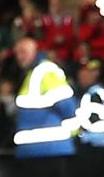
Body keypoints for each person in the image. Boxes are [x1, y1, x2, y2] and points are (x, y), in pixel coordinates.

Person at [12, 37, 77, 175]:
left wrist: (72, 130)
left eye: (23, 52)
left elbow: (66, 104)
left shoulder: (44, 70)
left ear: (35, 51)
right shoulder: (32, 73)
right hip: (37, 150)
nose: (19, 57)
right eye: (17, 53)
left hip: (49, 149)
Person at [74, 58, 104, 177]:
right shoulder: (88, 92)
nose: (83, 77)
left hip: (97, 145)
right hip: (98, 145)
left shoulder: (96, 93)